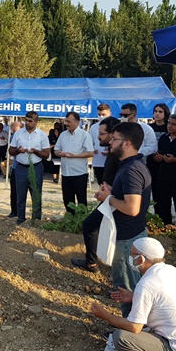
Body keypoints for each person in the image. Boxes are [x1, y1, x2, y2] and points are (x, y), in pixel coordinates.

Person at [90, 237, 176, 351]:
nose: (130, 258)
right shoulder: (171, 270)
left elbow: (134, 327)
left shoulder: (146, 284)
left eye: (132, 255)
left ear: (141, 259)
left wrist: (105, 315)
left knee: (121, 337)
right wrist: (135, 297)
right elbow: (165, 300)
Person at [95, 122, 152, 317]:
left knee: (127, 287)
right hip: (130, 236)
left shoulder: (132, 170)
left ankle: (131, 333)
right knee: (130, 286)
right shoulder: (131, 165)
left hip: (127, 240)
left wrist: (108, 199)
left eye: (114, 139)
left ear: (127, 143)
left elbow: (132, 208)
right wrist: (112, 193)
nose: (110, 142)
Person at [71, 117, 122, 274]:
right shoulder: (112, 153)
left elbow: (125, 179)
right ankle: (92, 262)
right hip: (109, 199)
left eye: (102, 133)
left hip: (116, 200)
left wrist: (110, 192)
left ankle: (97, 265)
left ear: (113, 134)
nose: (98, 137)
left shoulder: (120, 155)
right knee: (91, 226)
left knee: (90, 225)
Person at [9, 111, 50, 225]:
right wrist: (18, 150)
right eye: (26, 120)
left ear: (36, 122)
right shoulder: (18, 134)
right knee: (20, 194)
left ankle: (36, 219)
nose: (27, 123)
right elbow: (11, 150)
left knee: (36, 194)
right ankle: (20, 218)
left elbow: (47, 154)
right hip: (21, 167)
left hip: (36, 167)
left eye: (30, 121)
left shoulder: (42, 135)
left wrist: (36, 151)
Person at [54, 111, 94, 214]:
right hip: (66, 173)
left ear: (77, 122)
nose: (66, 123)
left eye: (69, 121)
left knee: (81, 200)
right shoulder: (63, 135)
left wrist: (75, 155)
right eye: (66, 121)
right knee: (67, 200)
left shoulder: (84, 135)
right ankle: (70, 220)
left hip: (79, 173)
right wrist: (60, 153)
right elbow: (56, 150)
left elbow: (90, 152)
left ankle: (81, 222)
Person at [146, 103, 170, 203]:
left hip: (166, 161)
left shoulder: (169, 127)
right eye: (155, 111)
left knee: (165, 193)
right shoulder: (149, 128)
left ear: (165, 113)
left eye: (160, 112)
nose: (157, 114)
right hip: (151, 161)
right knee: (155, 191)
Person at [89, 104, 112, 184]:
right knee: (101, 184)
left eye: (103, 114)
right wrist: (92, 150)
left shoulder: (115, 125)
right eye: (99, 114)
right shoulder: (93, 127)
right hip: (98, 161)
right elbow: (90, 143)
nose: (101, 116)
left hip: (112, 161)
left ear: (109, 114)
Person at [7, 121, 23, 219]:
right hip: (15, 166)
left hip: (25, 166)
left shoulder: (24, 136)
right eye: (12, 126)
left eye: (15, 126)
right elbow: (12, 151)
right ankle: (14, 211)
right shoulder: (13, 137)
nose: (13, 128)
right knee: (14, 190)